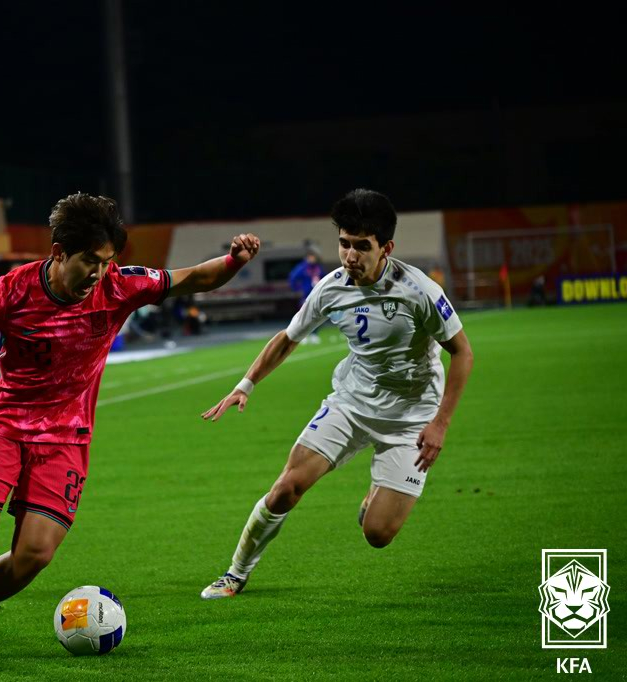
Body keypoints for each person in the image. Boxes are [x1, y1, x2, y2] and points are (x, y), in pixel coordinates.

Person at [0, 192, 261, 654]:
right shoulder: (12, 291)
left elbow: (193, 277)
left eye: (107, 262)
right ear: (59, 253)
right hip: (4, 425)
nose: (98, 273)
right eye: (89, 261)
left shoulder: (119, 286)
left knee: (35, 555)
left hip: (66, 438)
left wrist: (233, 262)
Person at [198, 188, 473, 600]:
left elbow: (463, 353)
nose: (349, 256)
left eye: (362, 246)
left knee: (378, 534)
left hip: (411, 417)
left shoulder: (419, 291)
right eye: (344, 243)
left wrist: (440, 424)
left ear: (386, 248)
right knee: (286, 488)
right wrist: (245, 384)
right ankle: (235, 574)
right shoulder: (330, 288)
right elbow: (288, 338)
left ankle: (374, 499)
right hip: (351, 403)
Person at [288, 247, 325, 343]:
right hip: (305, 295)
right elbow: (293, 278)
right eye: (312, 257)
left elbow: (324, 278)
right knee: (303, 316)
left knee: (317, 315)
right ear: (309, 257)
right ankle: (301, 336)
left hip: (317, 295)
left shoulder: (318, 267)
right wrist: (298, 289)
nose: (314, 259)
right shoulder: (302, 267)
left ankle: (314, 334)